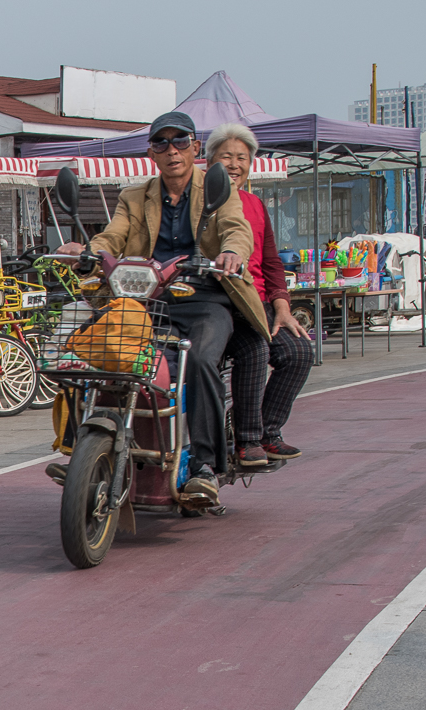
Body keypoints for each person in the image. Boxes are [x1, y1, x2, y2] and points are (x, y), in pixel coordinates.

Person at [56, 111, 271, 505]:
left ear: (193, 147)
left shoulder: (218, 189)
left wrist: (230, 252)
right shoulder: (134, 196)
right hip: (147, 299)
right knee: (88, 351)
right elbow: (113, 235)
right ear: (152, 153)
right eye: (161, 143)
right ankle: (79, 449)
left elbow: (236, 230)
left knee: (203, 360)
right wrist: (91, 252)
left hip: (206, 298)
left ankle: (205, 466)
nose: (171, 150)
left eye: (179, 141)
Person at [206, 123, 313, 460]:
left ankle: (267, 430)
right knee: (254, 352)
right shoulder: (201, 202)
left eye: (242, 158)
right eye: (226, 157)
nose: (235, 165)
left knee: (299, 353)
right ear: (210, 162)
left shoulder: (255, 204)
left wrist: (282, 308)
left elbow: (271, 262)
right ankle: (246, 438)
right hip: (220, 302)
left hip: (260, 303)